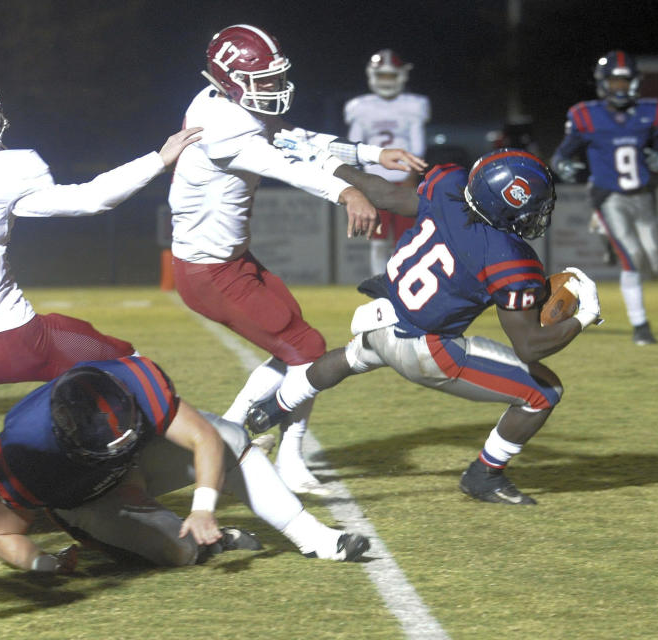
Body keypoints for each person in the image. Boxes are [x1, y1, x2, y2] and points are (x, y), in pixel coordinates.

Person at [246, 146, 603, 505]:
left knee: (350, 358)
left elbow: (384, 193)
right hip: (427, 348)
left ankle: (271, 408)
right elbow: (529, 345)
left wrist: (332, 165)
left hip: (385, 313)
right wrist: (583, 316)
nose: (537, 215)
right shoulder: (512, 260)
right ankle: (484, 475)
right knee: (544, 392)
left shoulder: (449, 187)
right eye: (532, 207)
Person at [167, 24, 423, 495]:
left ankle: (244, 440)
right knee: (306, 350)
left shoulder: (226, 105)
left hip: (231, 260)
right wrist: (347, 191)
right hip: (209, 272)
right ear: (229, 79)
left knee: (300, 347)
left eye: (274, 77)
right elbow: (289, 166)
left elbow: (297, 138)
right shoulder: (223, 125)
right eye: (261, 80)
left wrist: (372, 153)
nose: (272, 88)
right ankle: (254, 448)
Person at [0, 73, 202, 428]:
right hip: (13, 337)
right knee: (129, 366)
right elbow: (92, 198)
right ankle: (211, 447)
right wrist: (159, 159)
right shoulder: (0, 169)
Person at [0, 355, 370, 571]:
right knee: (180, 553)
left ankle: (314, 537)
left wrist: (203, 509)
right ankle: (211, 543)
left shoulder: (131, 380)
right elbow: (0, 534)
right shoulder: (26, 453)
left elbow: (203, 436)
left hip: (141, 458)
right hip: (88, 499)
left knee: (229, 439)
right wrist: (43, 564)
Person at [550, 50, 658, 345]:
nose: (619, 88)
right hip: (608, 197)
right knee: (632, 257)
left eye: (623, 82)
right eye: (614, 83)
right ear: (604, 84)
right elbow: (561, 154)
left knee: (654, 259)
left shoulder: (648, 113)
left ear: (634, 82)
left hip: (641, 196)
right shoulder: (587, 116)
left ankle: (606, 235)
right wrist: (562, 166)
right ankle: (641, 327)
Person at [344, 49, 431, 276]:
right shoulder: (360, 107)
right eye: (382, 76)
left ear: (401, 76)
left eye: (390, 76)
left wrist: (413, 174)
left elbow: (418, 146)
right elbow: (353, 147)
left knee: (405, 239)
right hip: (374, 181)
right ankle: (379, 283)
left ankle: (400, 280)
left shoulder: (413, 105)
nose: (386, 81)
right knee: (378, 239)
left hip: (403, 181)